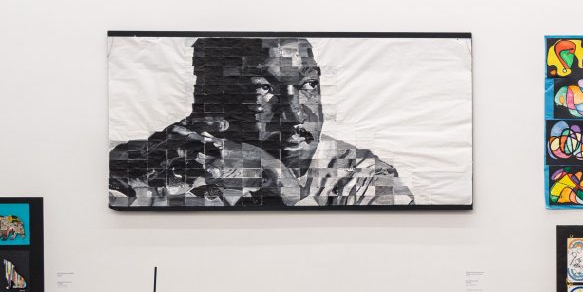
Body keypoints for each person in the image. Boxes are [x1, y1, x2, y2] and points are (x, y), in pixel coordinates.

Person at [110, 37, 415, 207]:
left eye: (309, 85)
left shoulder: (361, 176)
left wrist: (279, 179)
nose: (296, 115)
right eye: (263, 88)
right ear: (213, 99)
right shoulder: (154, 165)